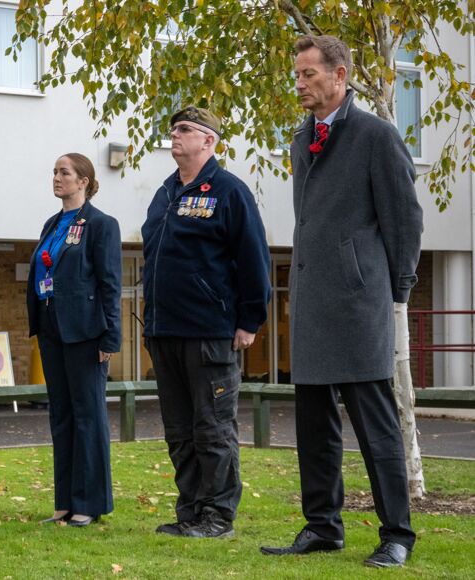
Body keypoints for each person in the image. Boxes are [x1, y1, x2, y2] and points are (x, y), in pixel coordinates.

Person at [259, 36, 423, 568]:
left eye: (308, 74)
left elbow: (405, 219)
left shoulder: (376, 136)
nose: (300, 84)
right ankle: (322, 526)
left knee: (377, 428)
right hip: (312, 304)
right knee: (313, 427)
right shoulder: (300, 137)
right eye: (297, 75)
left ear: (341, 75)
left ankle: (396, 534)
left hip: (358, 304)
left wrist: (396, 289)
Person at [143, 106, 271, 538]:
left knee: (213, 429)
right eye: (173, 128)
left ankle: (217, 517)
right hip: (164, 331)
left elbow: (254, 260)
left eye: (184, 130)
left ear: (209, 141)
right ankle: (191, 512)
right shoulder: (164, 193)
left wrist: (249, 319)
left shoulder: (229, 191)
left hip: (210, 332)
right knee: (179, 432)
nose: (174, 136)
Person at [26, 153, 121, 527]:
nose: (56, 178)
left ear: (84, 180)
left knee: (88, 417)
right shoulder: (52, 223)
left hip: (86, 332)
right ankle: (64, 502)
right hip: (51, 328)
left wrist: (110, 336)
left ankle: (89, 502)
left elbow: (109, 284)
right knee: (61, 416)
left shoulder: (101, 224)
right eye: (53, 172)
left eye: (64, 172)